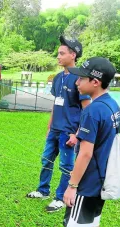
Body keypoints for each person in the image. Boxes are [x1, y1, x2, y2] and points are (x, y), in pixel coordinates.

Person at [63, 57, 120, 227]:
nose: (77, 82)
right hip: (102, 179)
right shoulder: (113, 106)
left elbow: (86, 154)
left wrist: (72, 186)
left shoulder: (92, 110)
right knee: (93, 222)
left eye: (81, 79)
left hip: (87, 182)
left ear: (95, 82)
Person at [26, 36, 91, 212]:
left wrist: (77, 134)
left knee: (66, 166)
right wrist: (49, 126)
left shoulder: (80, 78)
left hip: (68, 132)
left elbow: (87, 110)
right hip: (55, 129)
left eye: (61, 53)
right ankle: (43, 190)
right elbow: (57, 103)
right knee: (46, 159)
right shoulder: (57, 77)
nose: (58, 57)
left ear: (73, 55)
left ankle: (61, 198)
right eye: (58, 53)